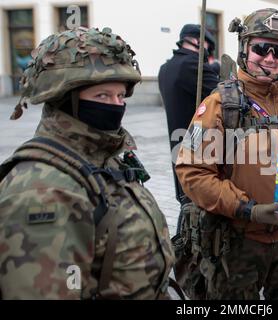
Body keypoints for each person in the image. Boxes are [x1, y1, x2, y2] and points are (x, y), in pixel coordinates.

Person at [175, 8, 278, 300]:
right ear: (244, 49)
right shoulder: (218, 106)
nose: (269, 58)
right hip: (237, 242)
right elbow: (193, 172)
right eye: (260, 48)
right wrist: (246, 208)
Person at [0, 27, 174, 299]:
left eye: (120, 96)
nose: (116, 106)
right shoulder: (42, 190)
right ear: (64, 100)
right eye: (102, 96)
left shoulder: (102, 157)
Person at [158, 24, 220, 206]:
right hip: (199, 147)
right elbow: (224, 97)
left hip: (177, 143)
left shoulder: (166, 67)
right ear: (197, 42)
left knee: (186, 202)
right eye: (208, 48)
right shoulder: (194, 65)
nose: (208, 55)